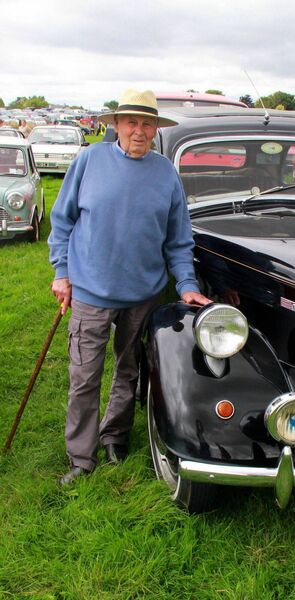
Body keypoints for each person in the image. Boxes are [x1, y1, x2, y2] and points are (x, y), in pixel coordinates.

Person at [48, 88, 211, 485]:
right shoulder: (89, 161)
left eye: (147, 123)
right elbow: (62, 220)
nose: (139, 130)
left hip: (144, 295)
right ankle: (81, 458)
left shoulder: (165, 173)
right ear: (117, 125)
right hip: (89, 291)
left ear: (156, 129)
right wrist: (61, 272)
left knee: (129, 370)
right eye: (132, 122)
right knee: (84, 376)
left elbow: (178, 238)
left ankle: (115, 437)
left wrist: (186, 283)